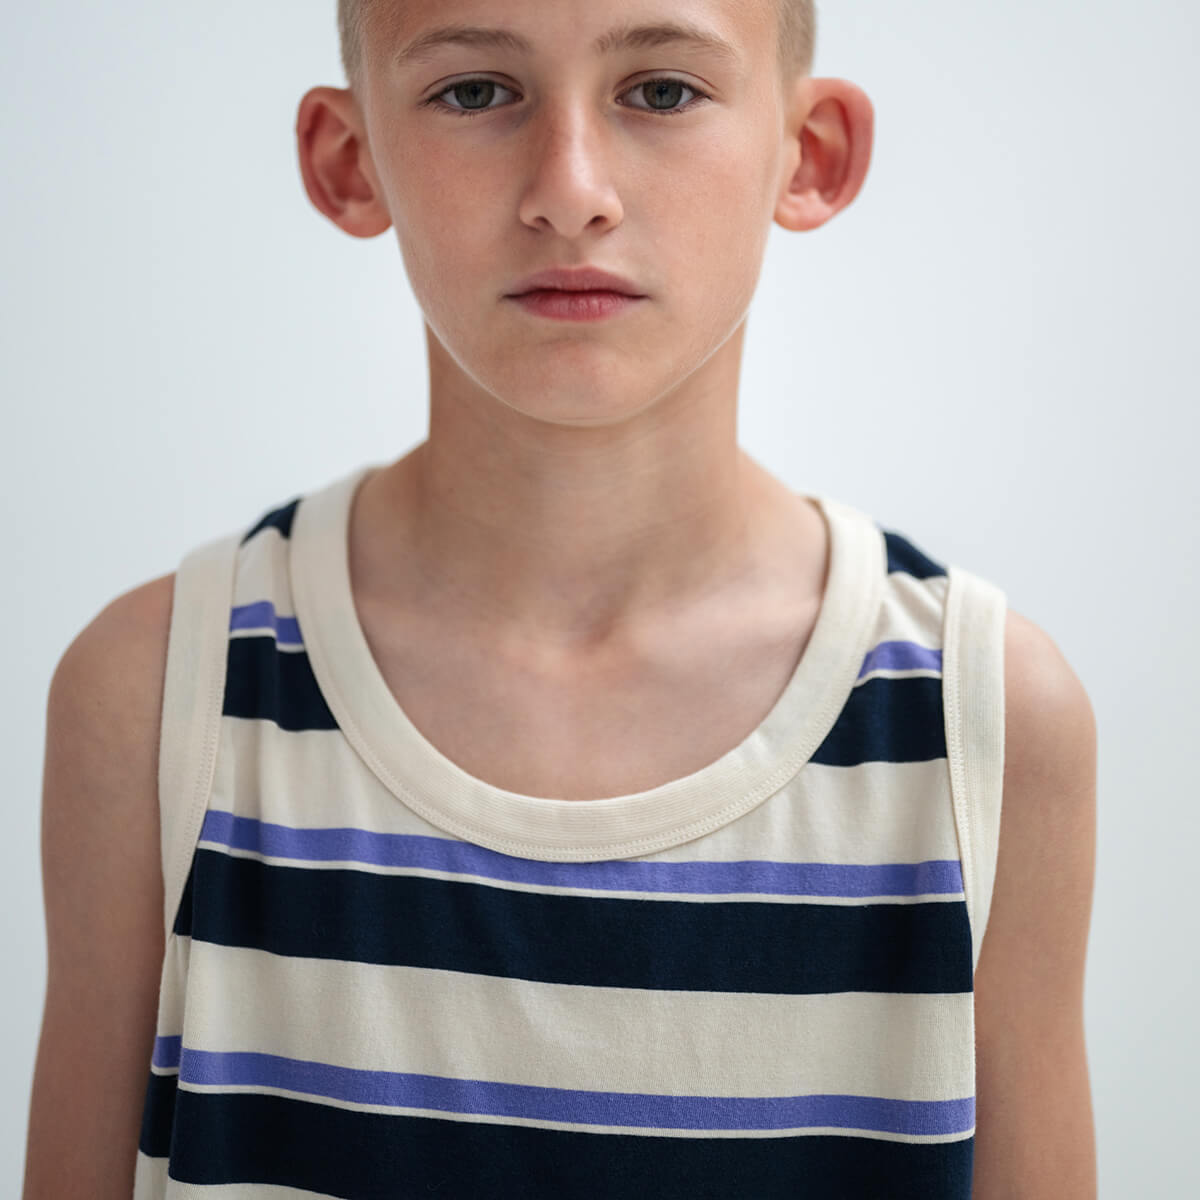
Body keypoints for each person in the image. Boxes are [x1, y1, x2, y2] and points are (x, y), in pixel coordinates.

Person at [23, 1, 1098, 1196]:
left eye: (662, 92)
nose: (571, 192)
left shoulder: (984, 721)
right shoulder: (158, 698)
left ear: (810, 153)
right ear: (348, 159)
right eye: (477, 92)